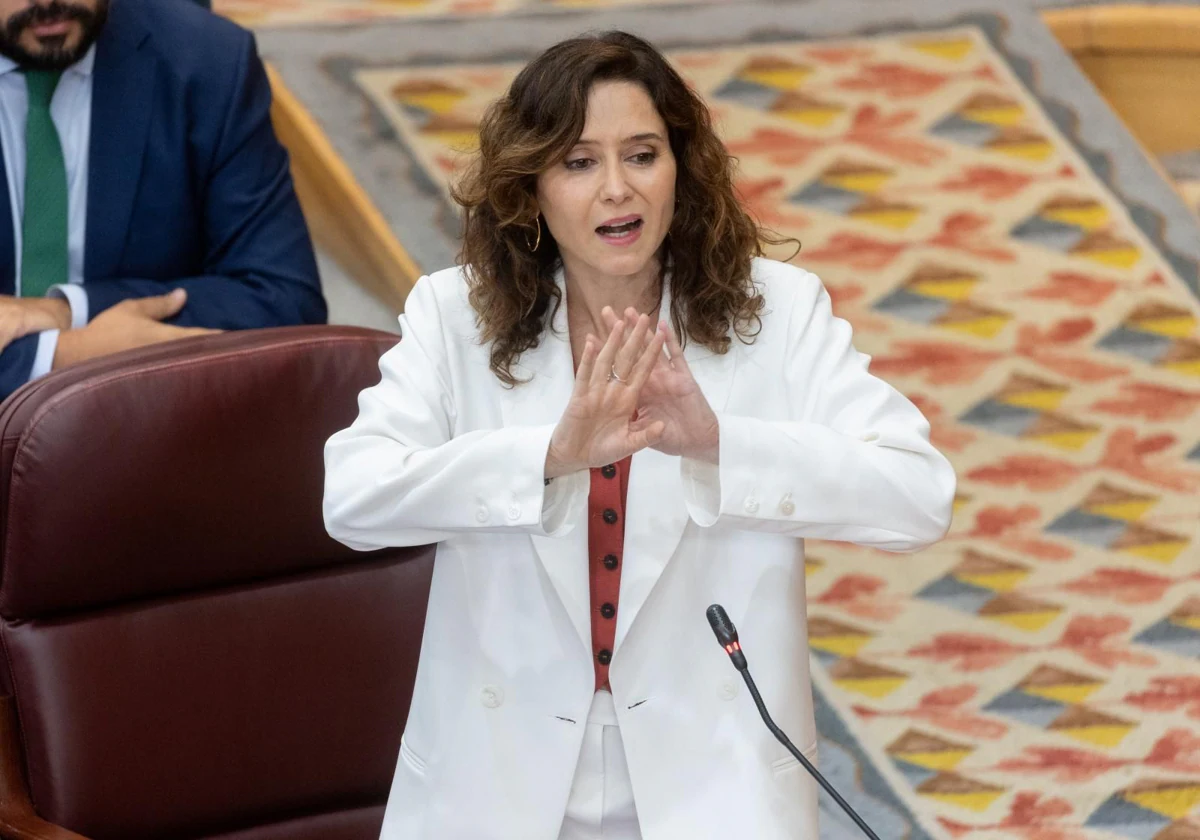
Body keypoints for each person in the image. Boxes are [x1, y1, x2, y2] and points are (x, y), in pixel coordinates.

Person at [323, 31, 955, 840]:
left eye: (643, 154)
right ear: (531, 187)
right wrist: (549, 457)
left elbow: (918, 494)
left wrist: (721, 444)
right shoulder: (455, 315)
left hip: (716, 781)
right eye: (579, 162)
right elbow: (352, 498)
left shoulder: (782, 312)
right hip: (495, 781)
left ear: (681, 170)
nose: (617, 190)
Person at [0, 0, 325, 399]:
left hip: (155, 425)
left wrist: (69, 311)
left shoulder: (208, 60)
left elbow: (286, 300)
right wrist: (59, 358)